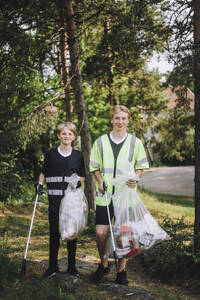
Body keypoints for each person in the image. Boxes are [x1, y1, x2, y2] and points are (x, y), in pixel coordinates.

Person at [89, 105, 149, 285]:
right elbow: (94, 166)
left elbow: (141, 167)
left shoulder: (135, 142)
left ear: (128, 120)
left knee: (125, 235)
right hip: (104, 196)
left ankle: (121, 271)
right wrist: (99, 181)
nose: (120, 121)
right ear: (112, 120)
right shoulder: (100, 142)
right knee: (101, 233)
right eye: (117, 118)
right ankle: (104, 263)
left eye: (123, 118)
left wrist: (136, 179)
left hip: (125, 197)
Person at [35, 122, 85, 279]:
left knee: (72, 233)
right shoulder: (50, 154)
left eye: (70, 134)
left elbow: (82, 175)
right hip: (55, 201)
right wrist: (40, 184)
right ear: (58, 136)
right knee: (54, 233)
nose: (66, 136)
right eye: (64, 134)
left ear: (74, 137)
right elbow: (44, 172)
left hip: (72, 202)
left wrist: (78, 182)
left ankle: (72, 267)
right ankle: (52, 266)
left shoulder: (78, 155)